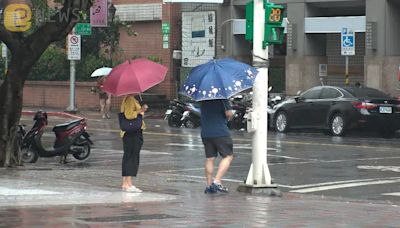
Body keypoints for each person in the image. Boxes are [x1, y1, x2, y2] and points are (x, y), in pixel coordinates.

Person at [200, 99, 234, 194]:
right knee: (228, 156)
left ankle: (209, 185)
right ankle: (217, 181)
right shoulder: (222, 99)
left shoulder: (203, 99)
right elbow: (228, 114)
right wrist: (230, 115)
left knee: (210, 158)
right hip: (220, 132)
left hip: (206, 133)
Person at [120, 94, 148, 193]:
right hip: (132, 133)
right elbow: (129, 115)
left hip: (130, 133)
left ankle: (125, 183)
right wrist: (141, 110)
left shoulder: (129, 99)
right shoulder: (130, 99)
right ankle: (128, 184)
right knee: (132, 157)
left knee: (129, 156)